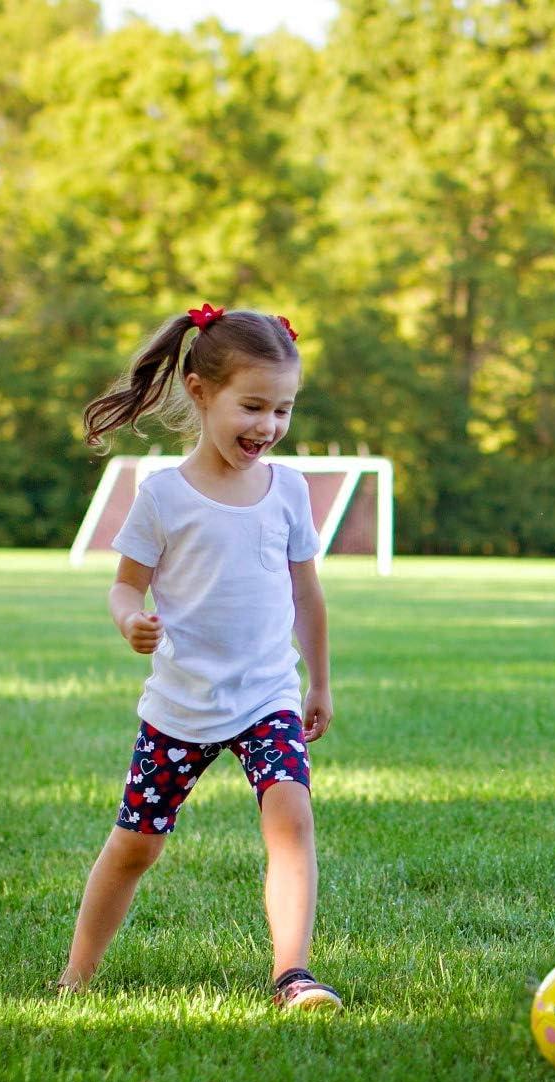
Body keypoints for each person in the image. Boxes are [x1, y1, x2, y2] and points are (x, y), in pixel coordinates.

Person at [57, 303, 341, 1010]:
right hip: (181, 706)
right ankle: (75, 976)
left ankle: (292, 974)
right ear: (199, 389)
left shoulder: (289, 491)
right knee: (136, 847)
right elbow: (125, 586)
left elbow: (308, 595)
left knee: (290, 815)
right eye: (253, 406)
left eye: (283, 409)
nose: (268, 427)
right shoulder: (163, 496)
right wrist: (132, 623)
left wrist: (319, 683)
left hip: (266, 697)